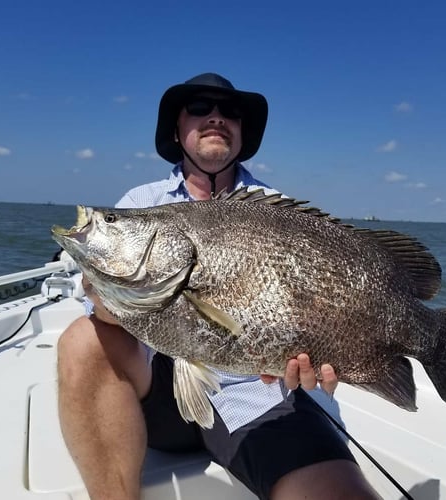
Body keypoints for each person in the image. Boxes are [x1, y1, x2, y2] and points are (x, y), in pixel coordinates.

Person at [57, 72, 381, 500]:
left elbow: (310, 313)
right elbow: (105, 313)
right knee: (84, 340)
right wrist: (103, 294)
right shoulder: (141, 204)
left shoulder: (276, 211)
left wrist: (325, 349)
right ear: (177, 129)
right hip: (161, 394)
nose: (215, 118)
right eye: (199, 109)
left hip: (260, 393)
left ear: (243, 133)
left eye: (230, 111)